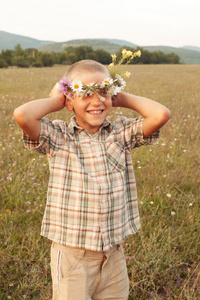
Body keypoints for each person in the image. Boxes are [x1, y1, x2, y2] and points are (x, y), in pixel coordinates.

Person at [13, 57, 170, 300]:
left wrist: (121, 97)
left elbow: (160, 114)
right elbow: (23, 115)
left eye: (103, 92)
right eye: (85, 94)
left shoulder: (120, 133)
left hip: (113, 255)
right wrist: (56, 101)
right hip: (73, 256)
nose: (97, 101)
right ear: (70, 100)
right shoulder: (59, 136)